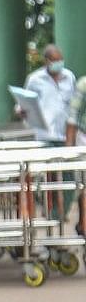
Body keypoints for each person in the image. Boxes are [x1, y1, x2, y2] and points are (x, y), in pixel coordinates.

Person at [23, 44, 76, 145]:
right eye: (55, 61)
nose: (59, 63)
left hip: (66, 135)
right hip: (44, 136)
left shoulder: (69, 77)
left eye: (61, 60)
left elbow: (74, 105)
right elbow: (25, 102)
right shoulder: (34, 80)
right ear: (46, 62)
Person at [64, 74, 86, 235]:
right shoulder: (83, 84)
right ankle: (84, 224)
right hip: (84, 138)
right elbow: (72, 117)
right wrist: (69, 149)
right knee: (84, 185)